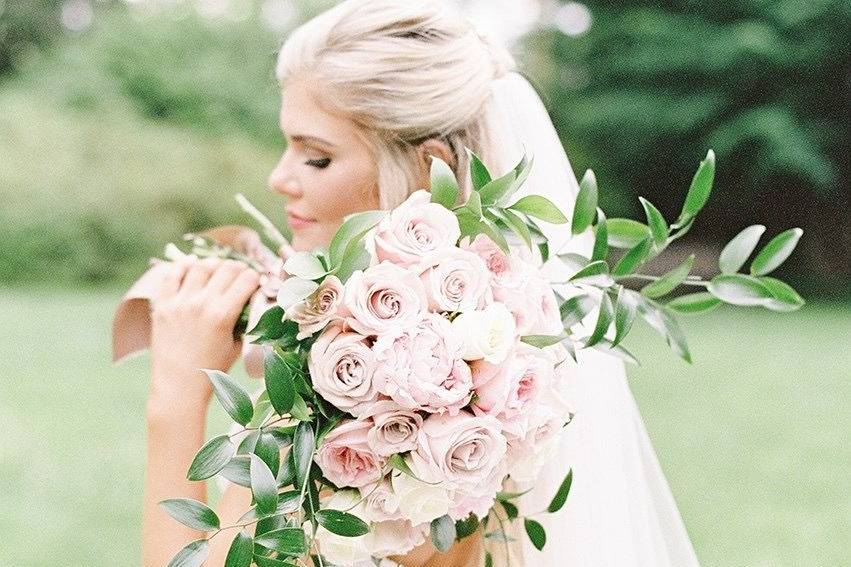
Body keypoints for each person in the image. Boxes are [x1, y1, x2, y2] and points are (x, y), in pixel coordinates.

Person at [141, 0, 701, 565]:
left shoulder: (376, 385)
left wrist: (178, 389)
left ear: (424, 168)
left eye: (316, 157)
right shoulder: (487, 338)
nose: (279, 178)